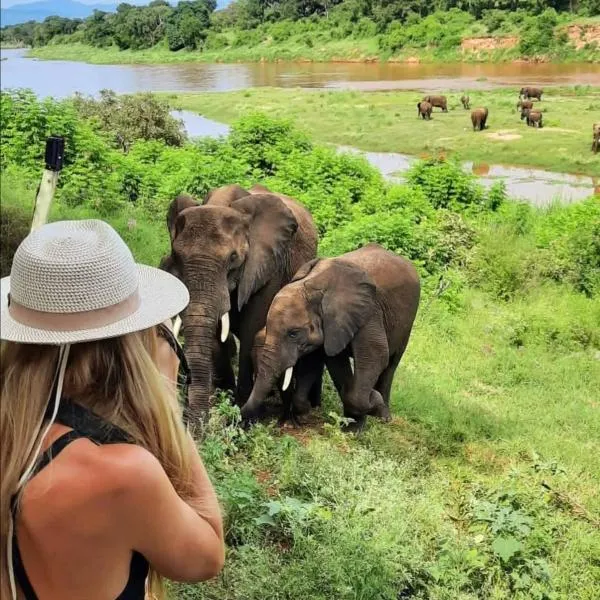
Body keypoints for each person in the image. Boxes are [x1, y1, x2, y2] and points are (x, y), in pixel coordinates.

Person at [0, 220, 225, 600]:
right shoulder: (122, 474)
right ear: (132, 342)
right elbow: (206, 557)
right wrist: (168, 404)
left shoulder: (15, 435)